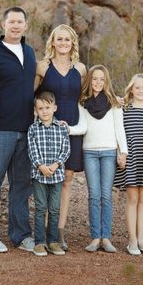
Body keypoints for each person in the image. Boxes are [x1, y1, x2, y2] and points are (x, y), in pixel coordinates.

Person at [0, 6, 36, 253]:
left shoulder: (29, 52)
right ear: (3, 25)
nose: (15, 26)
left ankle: (21, 235)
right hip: (0, 129)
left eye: (20, 22)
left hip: (27, 129)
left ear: (25, 26)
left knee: (22, 184)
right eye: (11, 22)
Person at [35, 24, 86, 250]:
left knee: (65, 180)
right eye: (60, 39)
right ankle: (43, 231)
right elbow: (32, 98)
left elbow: (86, 97)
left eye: (68, 39)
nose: (64, 43)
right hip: (48, 129)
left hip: (71, 128)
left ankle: (58, 231)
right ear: (52, 42)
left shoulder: (81, 69)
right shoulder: (43, 67)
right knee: (47, 179)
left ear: (73, 43)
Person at [69, 65, 128, 253]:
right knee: (94, 195)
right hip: (90, 153)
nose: (98, 82)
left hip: (109, 152)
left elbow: (120, 129)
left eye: (101, 79)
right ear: (89, 80)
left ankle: (106, 238)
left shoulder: (114, 103)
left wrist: (123, 152)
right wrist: (67, 128)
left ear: (106, 81)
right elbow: (82, 127)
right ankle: (95, 237)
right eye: (94, 79)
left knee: (106, 195)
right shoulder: (83, 102)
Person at [114, 73, 143, 255]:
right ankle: (132, 240)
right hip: (131, 157)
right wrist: (120, 154)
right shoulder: (124, 108)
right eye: (137, 87)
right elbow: (119, 134)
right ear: (131, 89)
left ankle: (141, 239)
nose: (141, 91)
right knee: (132, 198)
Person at [28, 91, 71, 256]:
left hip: (57, 174)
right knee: (40, 208)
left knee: (54, 209)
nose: (44, 111)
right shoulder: (33, 129)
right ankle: (39, 242)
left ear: (54, 108)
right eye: (40, 108)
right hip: (39, 175)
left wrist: (55, 165)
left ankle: (53, 241)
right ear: (35, 111)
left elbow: (66, 149)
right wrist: (41, 166)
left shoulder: (61, 128)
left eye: (47, 107)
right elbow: (32, 150)